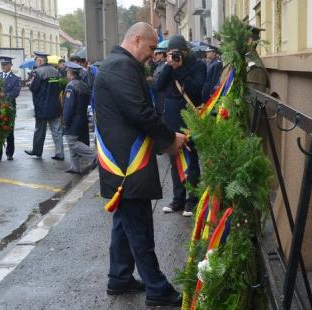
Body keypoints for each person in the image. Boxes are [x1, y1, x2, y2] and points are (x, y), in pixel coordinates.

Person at [95, 22, 187, 307]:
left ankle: (120, 277)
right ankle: (158, 289)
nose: (152, 55)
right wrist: (170, 138)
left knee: (125, 222)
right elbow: (141, 112)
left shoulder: (119, 65)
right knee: (139, 227)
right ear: (136, 40)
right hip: (128, 165)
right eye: (150, 48)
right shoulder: (120, 67)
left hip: (124, 162)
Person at [154, 34, 206, 217]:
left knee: (191, 159)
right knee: (174, 158)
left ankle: (192, 200)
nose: (174, 55)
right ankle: (178, 199)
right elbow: (158, 87)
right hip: (172, 118)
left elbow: (196, 89)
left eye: (177, 52)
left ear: (185, 51)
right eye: (170, 53)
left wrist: (180, 68)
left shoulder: (197, 65)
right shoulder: (167, 65)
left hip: (190, 117)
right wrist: (169, 67)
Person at [25, 51, 65, 161]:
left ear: (40, 60)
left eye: (36, 60)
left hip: (41, 107)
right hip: (55, 106)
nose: (36, 62)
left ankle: (37, 151)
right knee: (56, 131)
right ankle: (60, 153)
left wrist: (30, 84)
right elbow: (60, 87)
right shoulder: (56, 71)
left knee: (39, 130)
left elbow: (34, 88)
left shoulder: (37, 72)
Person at [62, 62, 97, 174]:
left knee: (72, 142)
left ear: (71, 73)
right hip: (82, 118)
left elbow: (68, 107)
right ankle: (75, 166)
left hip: (74, 119)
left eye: (67, 72)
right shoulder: (84, 85)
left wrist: (65, 121)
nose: (66, 74)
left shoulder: (71, 86)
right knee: (74, 141)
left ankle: (94, 155)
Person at [0, 56, 21, 163]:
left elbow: (15, 93)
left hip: (9, 108)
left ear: (10, 65)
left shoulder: (15, 78)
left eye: (5, 65)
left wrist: (5, 95)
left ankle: (9, 153)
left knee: (9, 132)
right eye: (2, 65)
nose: (3, 66)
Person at [151, 47, 167, 116]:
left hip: (163, 99)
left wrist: (152, 80)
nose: (155, 56)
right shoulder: (159, 65)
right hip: (158, 98)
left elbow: (162, 82)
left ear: (162, 54)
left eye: (157, 54)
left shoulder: (165, 66)